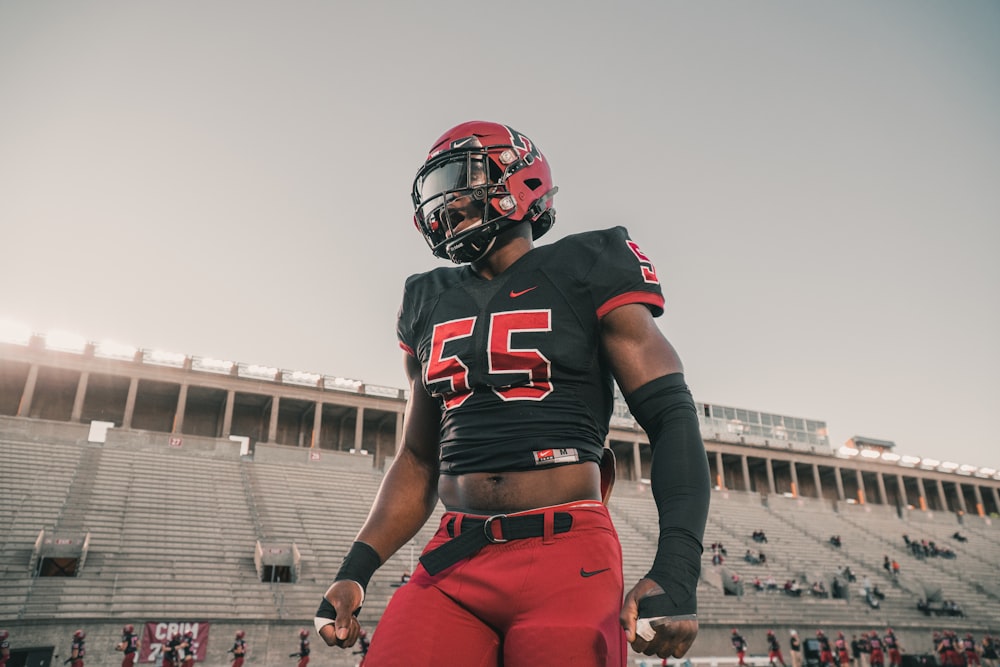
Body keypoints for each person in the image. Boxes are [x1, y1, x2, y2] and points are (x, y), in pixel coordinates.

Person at [313, 120, 710, 667]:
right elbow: (418, 457)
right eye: (436, 192)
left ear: (520, 179)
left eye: (458, 180)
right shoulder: (427, 298)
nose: (446, 203)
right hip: (455, 555)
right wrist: (354, 571)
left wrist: (677, 568)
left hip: (566, 552)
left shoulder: (589, 263)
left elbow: (670, 415)